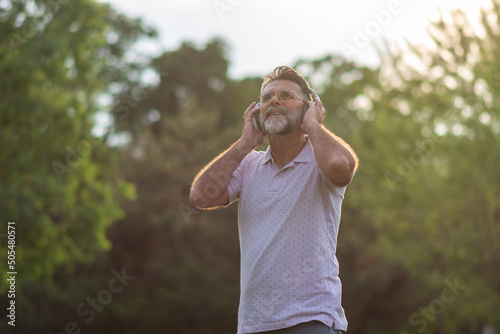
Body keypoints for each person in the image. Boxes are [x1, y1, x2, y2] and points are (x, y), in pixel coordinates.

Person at [189, 66, 359, 334]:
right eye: (267, 98)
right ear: (257, 113)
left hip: (311, 319)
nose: (274, 101)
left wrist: (313, 125)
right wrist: (245, 143)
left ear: (308, 107)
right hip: (254, 324)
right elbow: (200, 196)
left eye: (285, 95)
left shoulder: (321, 158)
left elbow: (340, 165)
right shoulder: (248, 165)